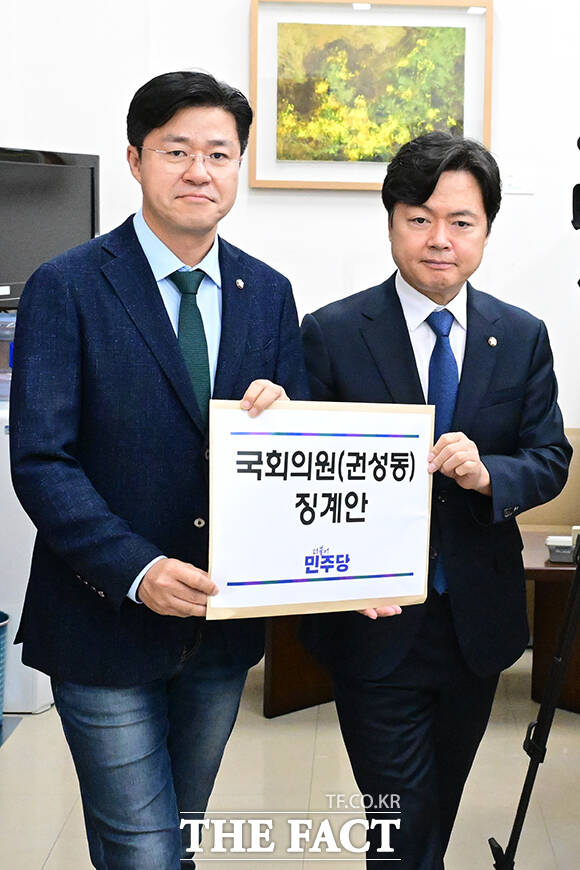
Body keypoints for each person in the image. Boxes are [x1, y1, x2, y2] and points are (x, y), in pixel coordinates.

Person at [10, 70, 307, 869]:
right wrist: (137, 570)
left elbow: (294, 464)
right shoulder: (66, 285)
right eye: (176, 150)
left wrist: (288, 417)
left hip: (219, 631)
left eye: (219, 153)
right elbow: (40, 459)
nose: (198, 171)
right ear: (136, 160)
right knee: (143, 850)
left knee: (180, 835)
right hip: (101, 621)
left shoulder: (268, 293)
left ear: (238, 166)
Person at [300, 132, 571, 869]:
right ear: (391, 223)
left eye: (460, 221)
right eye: (419, 219)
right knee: (399, 818)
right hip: (373, 619)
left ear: (486, 230)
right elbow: (303, 483)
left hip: (475, 622)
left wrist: (489, 476)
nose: (439, 239)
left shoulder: (522, 336)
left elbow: (549, 459)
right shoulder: (332, 333)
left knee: (437, 807)